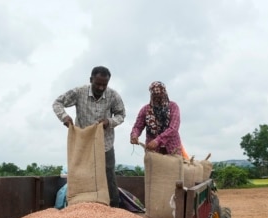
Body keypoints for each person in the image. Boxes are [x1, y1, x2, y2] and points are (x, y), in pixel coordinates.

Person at [53, 66, 126, 208]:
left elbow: (121, 115)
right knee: (81, 174)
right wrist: (64, 117)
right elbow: (57, 103)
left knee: (108, 174)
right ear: (91, 80)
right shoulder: (79, 92)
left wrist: (109, 122)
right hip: (83, 143)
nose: (100, 87)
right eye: (97, 83)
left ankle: (114, 208)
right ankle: (80, 206)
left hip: (105, 143)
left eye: (104, 84)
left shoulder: (113, 95)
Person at [130, 81, 183, 156]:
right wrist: (134, 135)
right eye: (154, 95)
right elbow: (138, 126)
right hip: (153, 151)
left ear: (164, 93)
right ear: (151, 95)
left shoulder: (173, 107)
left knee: (173, 167)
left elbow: (173, 128)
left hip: (172, 148)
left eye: (159, 94)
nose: (157, 97)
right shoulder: (145, 109)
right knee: (154, 167)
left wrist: (158, 140)